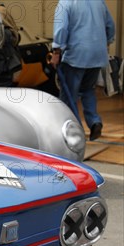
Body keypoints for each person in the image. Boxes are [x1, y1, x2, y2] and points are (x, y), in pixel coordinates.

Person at [51, 0, 115, 141]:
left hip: (76, 56)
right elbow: (111, 25)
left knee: (69, 96)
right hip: (97, 55)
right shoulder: (99, 2)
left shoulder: (65, 3)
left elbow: (61, 29)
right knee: (87, 89)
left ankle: (74, 131)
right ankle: (94, 121)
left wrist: (56, 52)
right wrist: (106, 42)